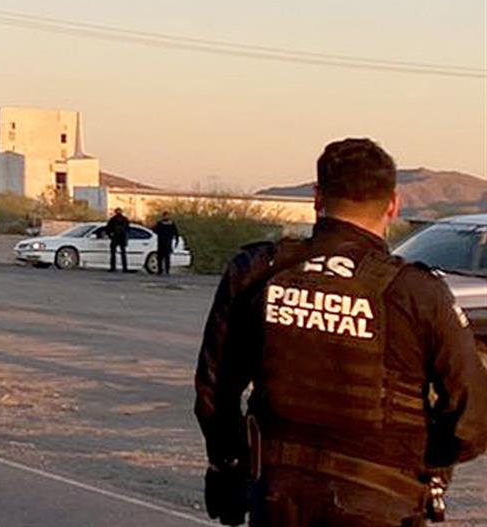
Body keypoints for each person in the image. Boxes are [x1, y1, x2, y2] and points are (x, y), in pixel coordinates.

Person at [195, 138, 487, 527]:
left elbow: (215, 391)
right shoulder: (418, 291)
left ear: (317, 197)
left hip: (278, 495)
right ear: (393, 204)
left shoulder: (258, 269)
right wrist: (420, 462)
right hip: (383, 499)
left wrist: (226, 463)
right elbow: (473, 418)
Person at [106, 207, 133, 274]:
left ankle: (124, 268)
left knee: (122, 253)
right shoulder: (113, 219)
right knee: (113, 253)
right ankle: (113, 267)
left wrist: (125, 235)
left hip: (121, 237)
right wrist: (110, 235)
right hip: (115, 237)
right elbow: (108, 229)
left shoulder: (124, 219)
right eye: (117, 211)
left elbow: (127, 229)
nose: (118, 212)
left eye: (119, 211)